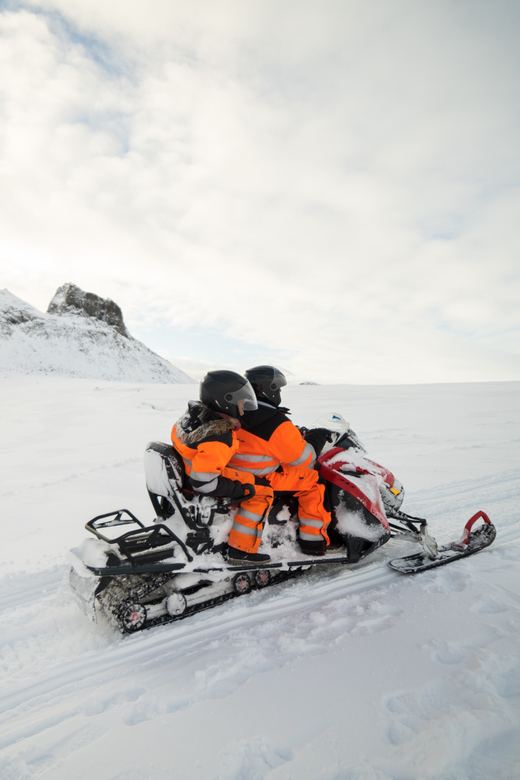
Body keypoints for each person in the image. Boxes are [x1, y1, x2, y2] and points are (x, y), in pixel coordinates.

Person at [228, 365, 338, 556]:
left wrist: (293, 433)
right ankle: (313, 542)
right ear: (267, 390)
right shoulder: (275, 423)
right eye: (278, 389)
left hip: (234, 471)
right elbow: (306, 458)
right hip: (263, 477)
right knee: (314, 481)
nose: (279, 393)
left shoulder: (234, 411)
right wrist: (317, 437)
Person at [171, 370, 273, 565]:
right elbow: (204, 484)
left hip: (191, 469)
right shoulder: (219, 438)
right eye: (241, 401)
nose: (244, 405)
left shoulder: (193, 417)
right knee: (263, 491)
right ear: (226, 401)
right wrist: (240, 489)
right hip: (201, 478)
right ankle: (241, 549)